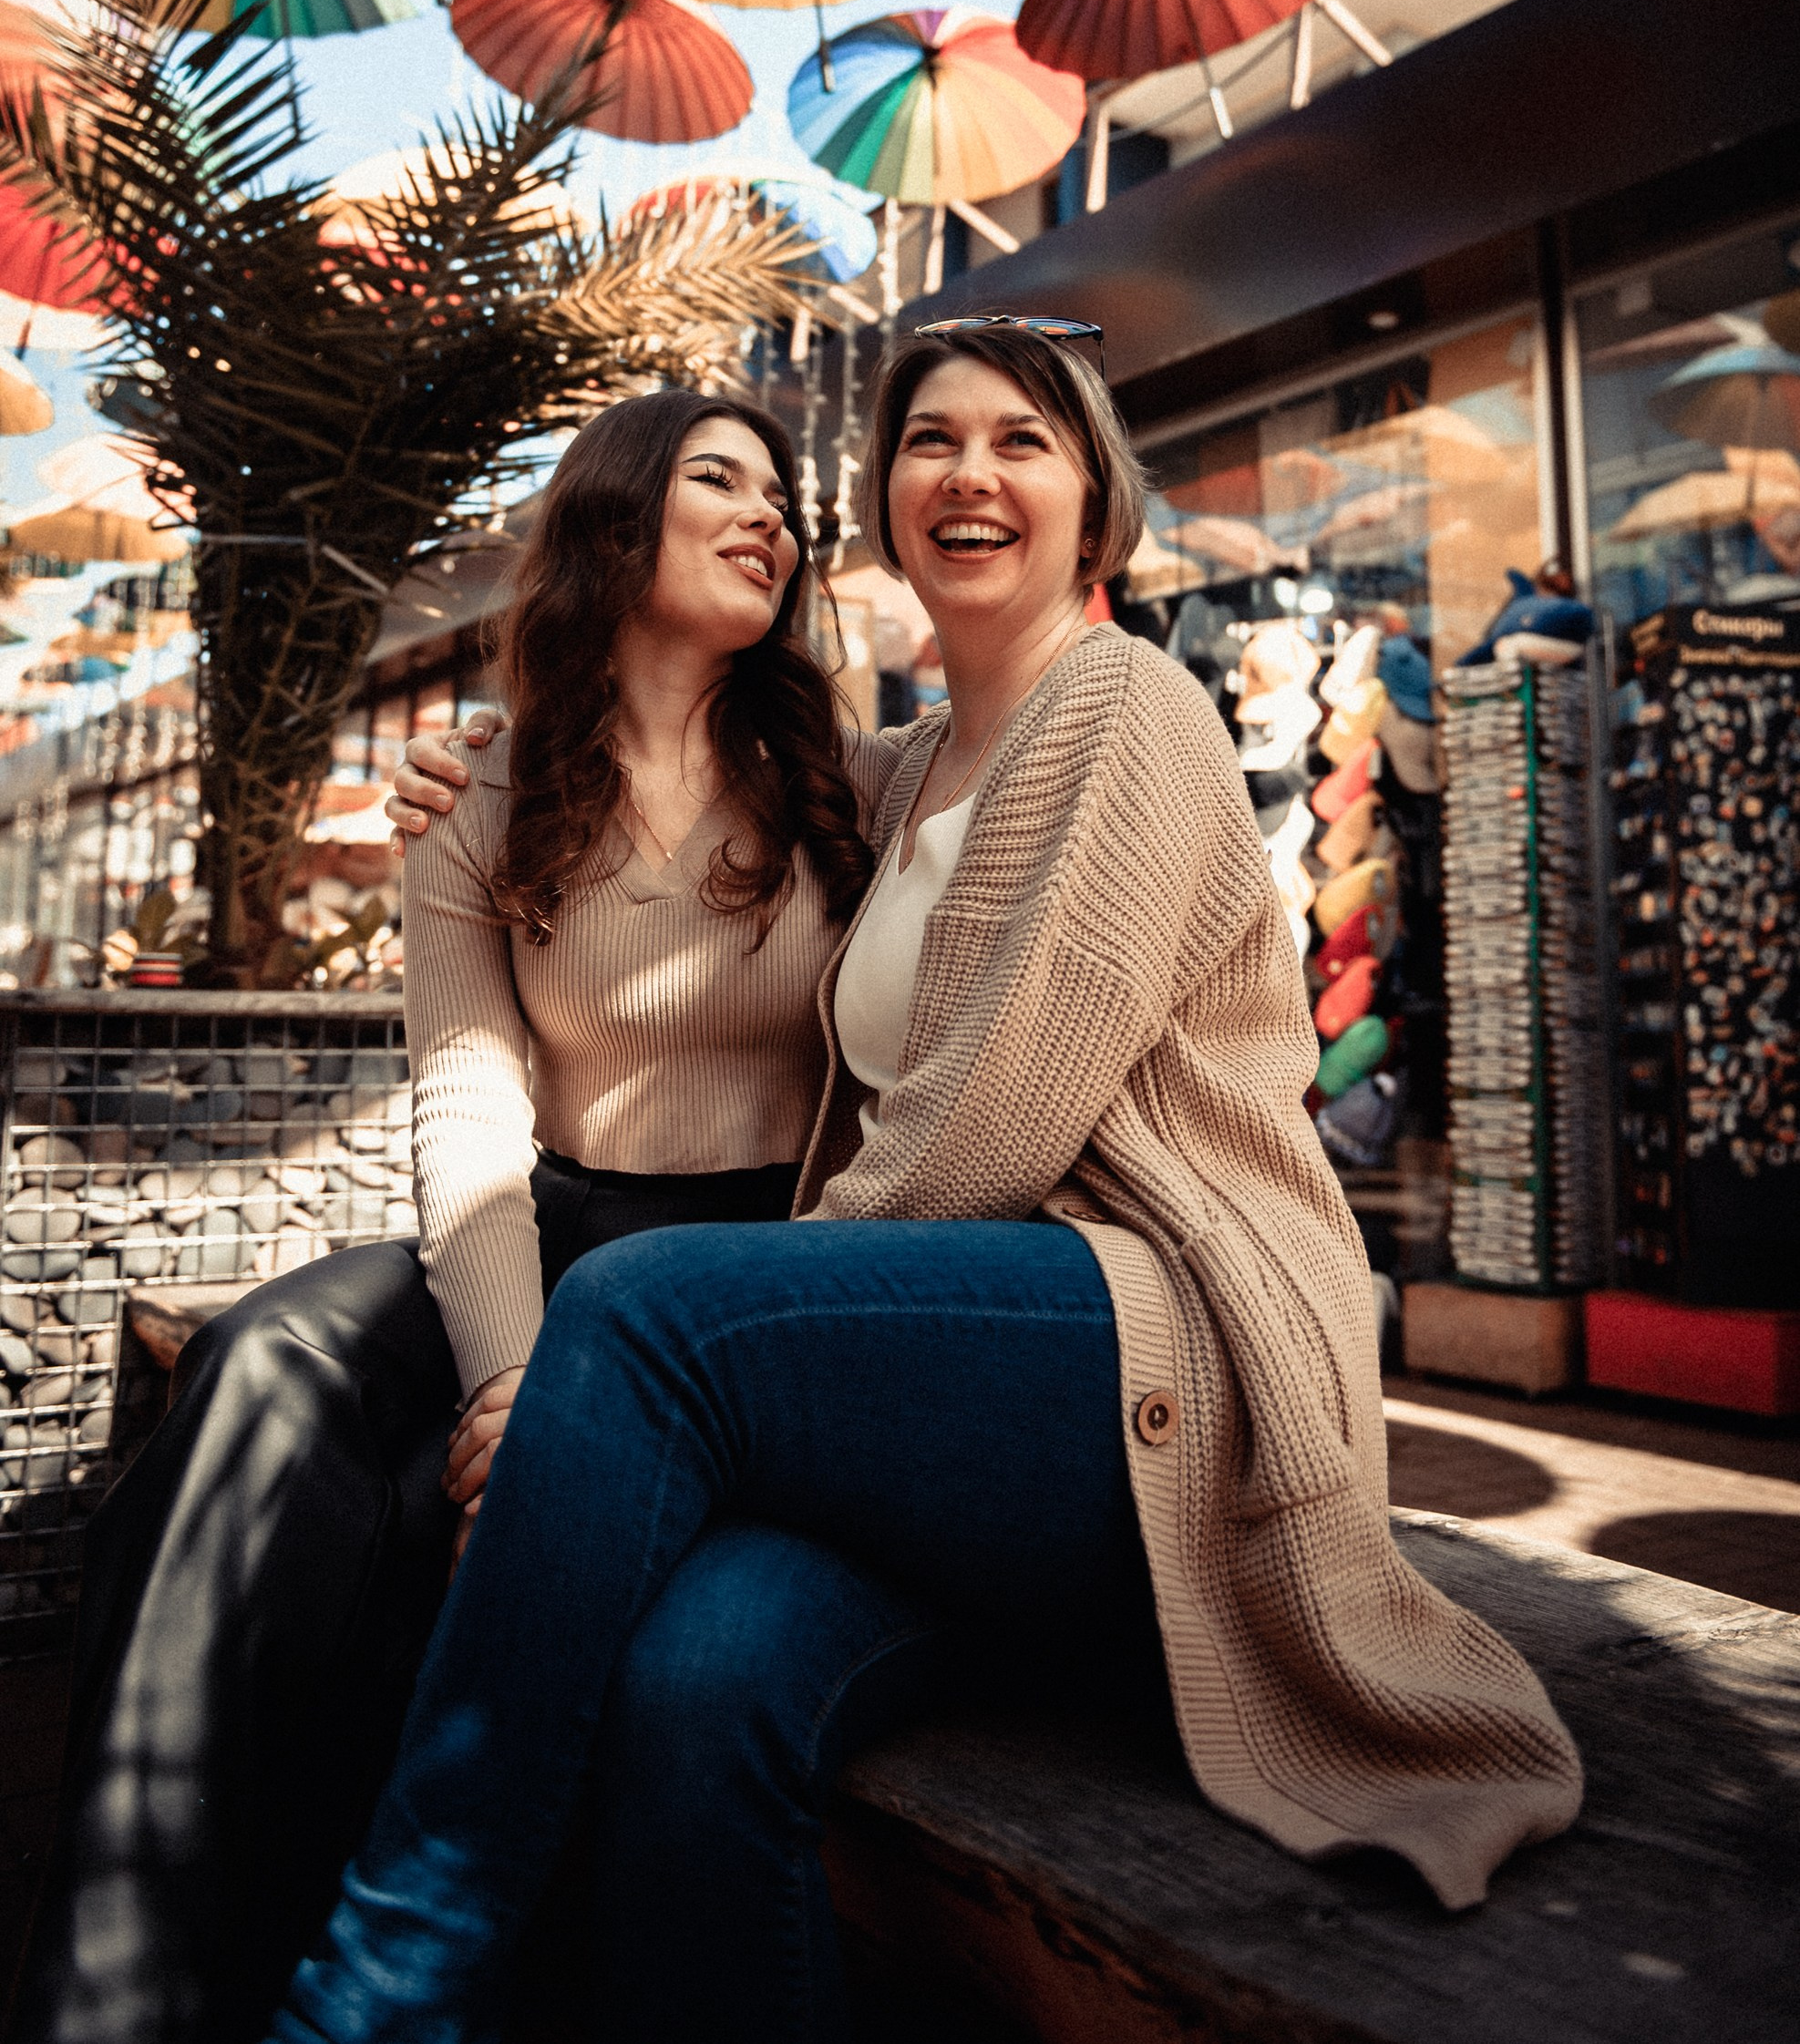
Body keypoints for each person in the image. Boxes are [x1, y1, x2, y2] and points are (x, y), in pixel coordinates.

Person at [264, 322, 1582, 2044]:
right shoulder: (898, 776)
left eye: (1021, 442)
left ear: (1094, 503)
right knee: (697, 1678)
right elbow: (698, 795)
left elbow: (993, 1117)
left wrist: (697, 1364)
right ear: (883, 506)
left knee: (641, 1314)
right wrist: (482, 765)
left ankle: (376, 1996)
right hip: (969, 1402)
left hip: (1160, 1354)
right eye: (929, 442)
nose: (970, 473)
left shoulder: (1125, 704)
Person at [13, 390, 880, 2044]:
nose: (773, 514)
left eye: (785, 496)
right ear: (622, 517)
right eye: (722, 480)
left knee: (421, 1517)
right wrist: (517, 1375)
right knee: (259, 1371)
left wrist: (566, 1420)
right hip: (534, 1228)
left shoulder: (855, 782)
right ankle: (109, 2002)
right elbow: (468, 1103)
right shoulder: (479, 799)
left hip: (736, 1277)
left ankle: (368, 1968)